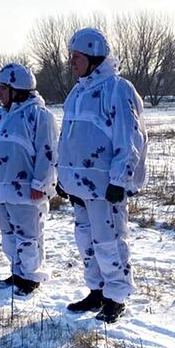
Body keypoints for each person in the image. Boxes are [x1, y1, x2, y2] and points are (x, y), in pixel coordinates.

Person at [57, 28, 148, 323]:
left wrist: (120, 179)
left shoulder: (117, 89)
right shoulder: (77, 93)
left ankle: (116, 296)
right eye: (71, 56)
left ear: (95, 57)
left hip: (105, 187)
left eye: (77, 56)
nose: (72, 62)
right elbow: (66, 138)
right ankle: (96, 290)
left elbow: (130, 137)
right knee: (86, 241)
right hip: (79, 186)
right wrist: (63, 176)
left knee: (109, 241)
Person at [0, 63, 58, 295]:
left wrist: (40, 183)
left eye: (4, 88)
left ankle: (31, 276)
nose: (0, 93)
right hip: (1, 188)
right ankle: (17, 271)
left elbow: (47, 152)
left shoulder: (39, 115)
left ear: (17, 89)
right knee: (9, 235)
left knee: (28, 235)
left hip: (26, 189)